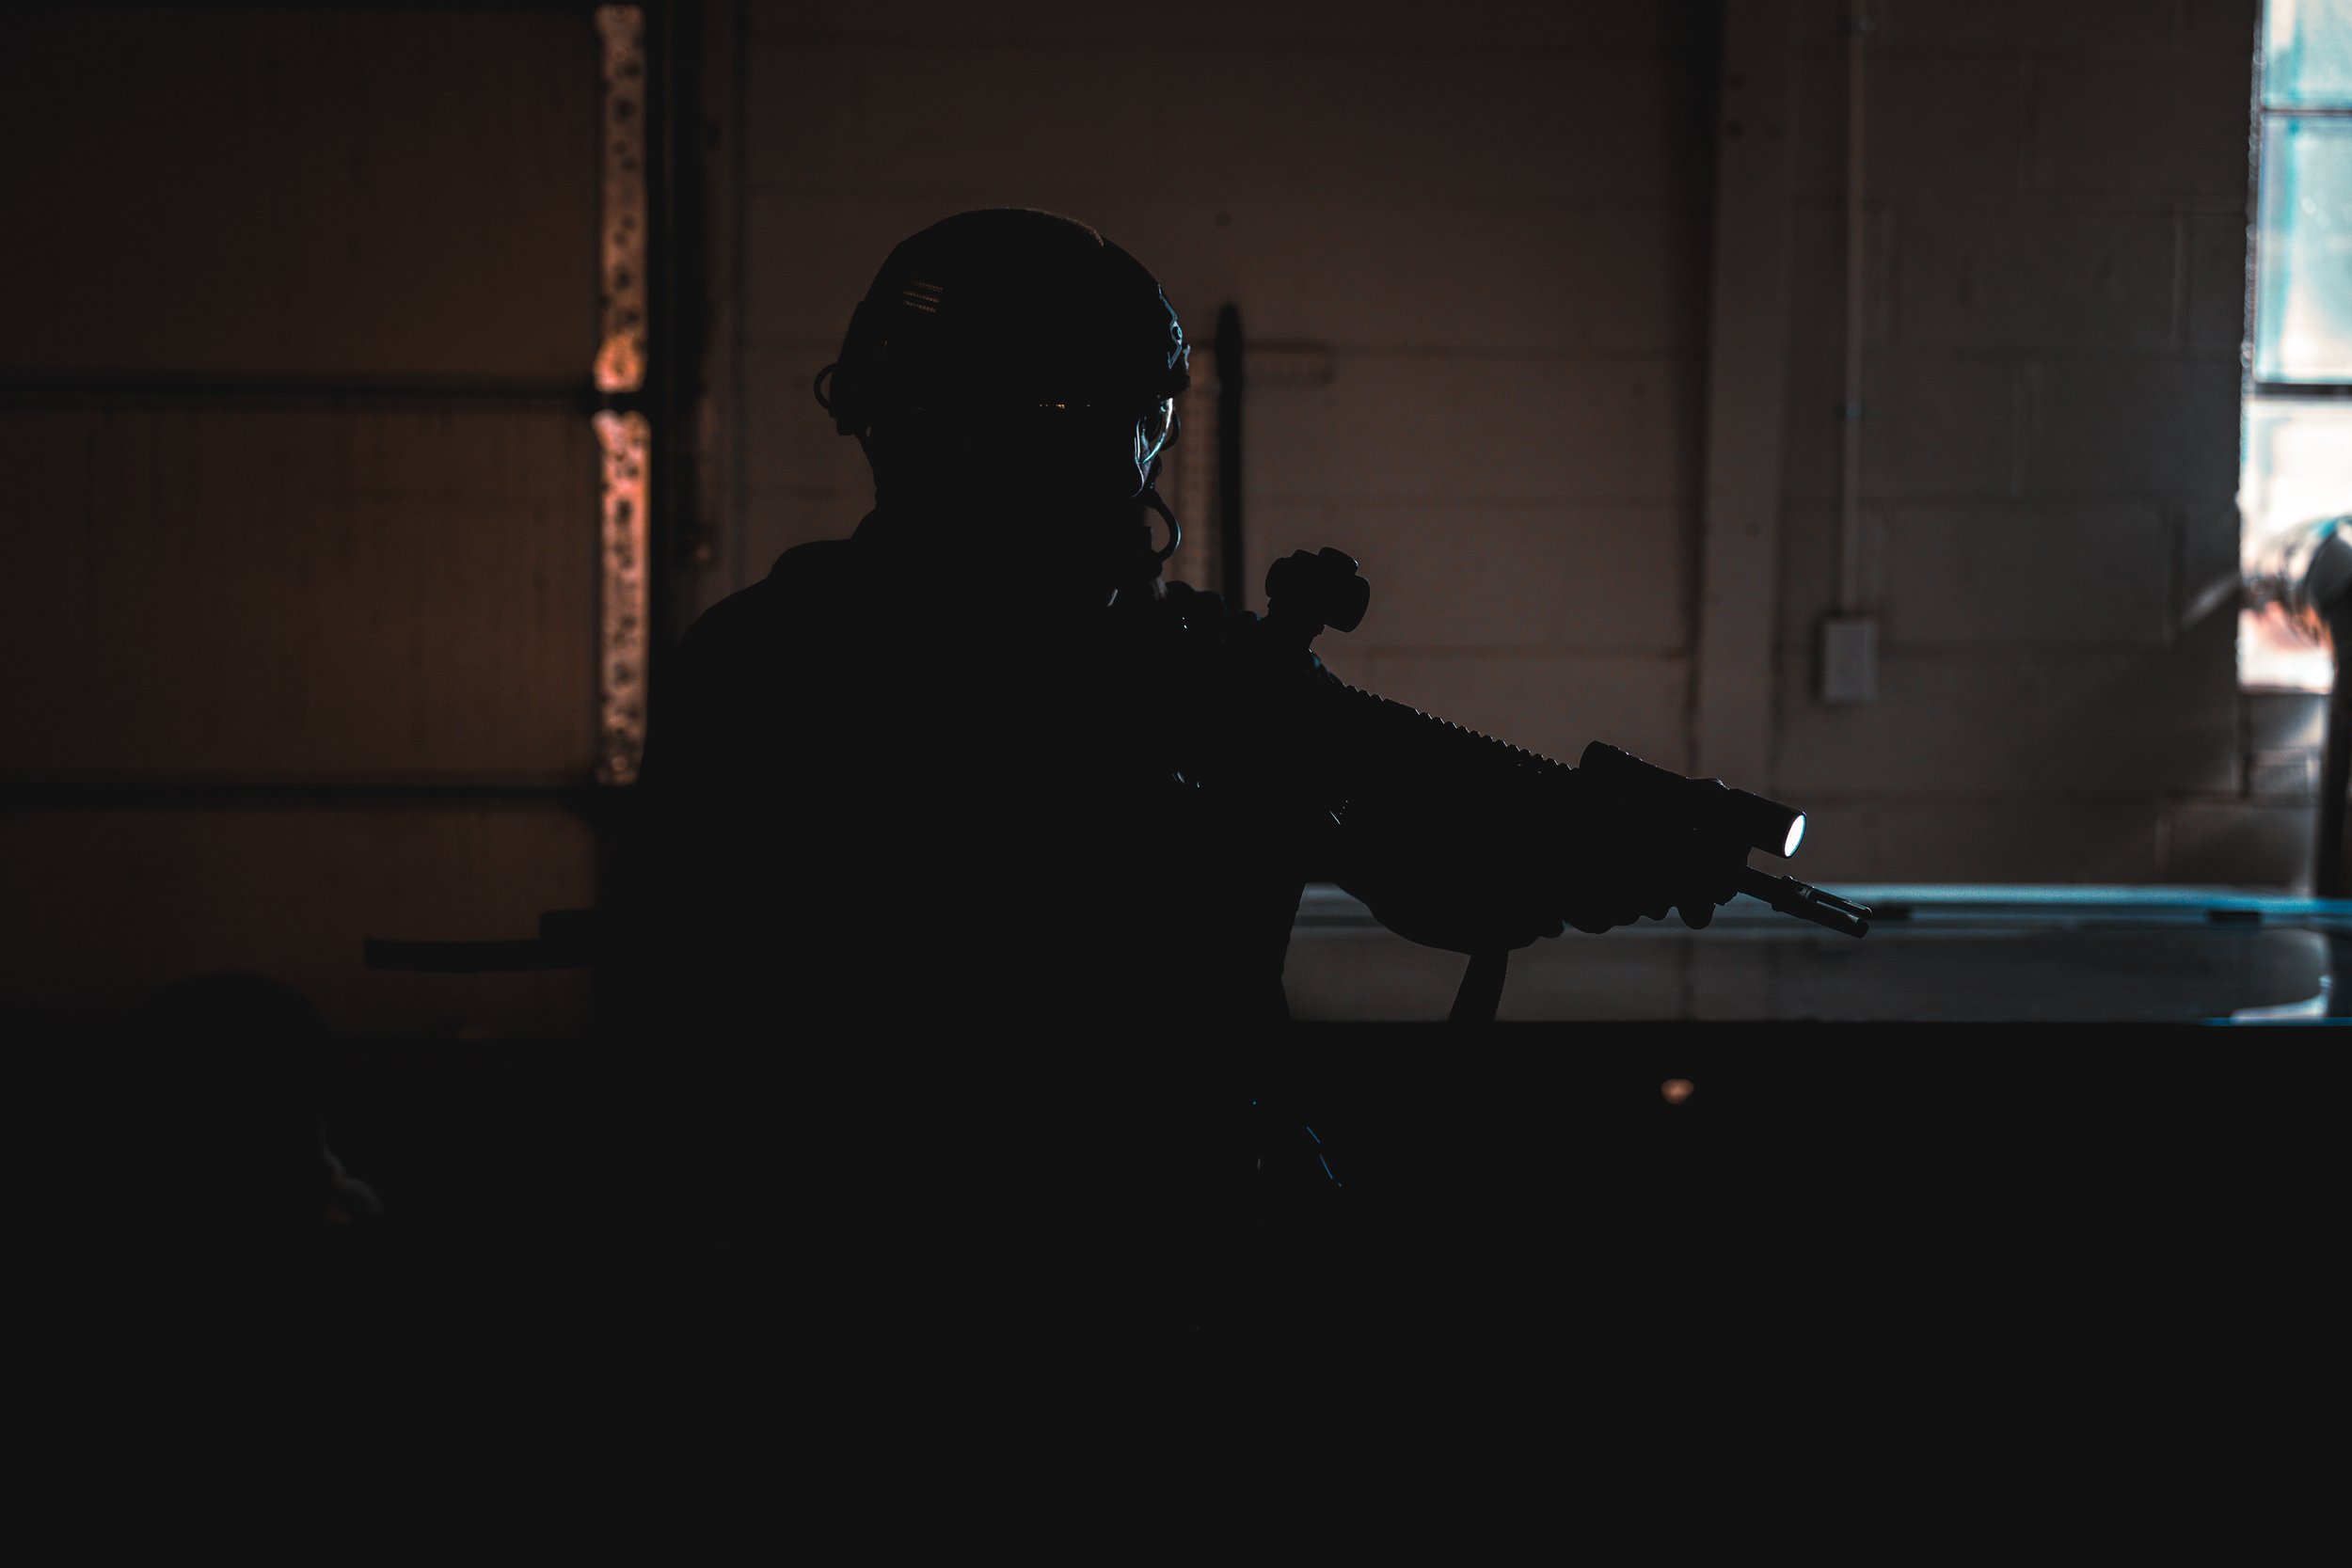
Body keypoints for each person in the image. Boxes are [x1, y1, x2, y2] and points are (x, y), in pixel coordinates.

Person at [614, 208, 1741, 1374]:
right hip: (976, 1271)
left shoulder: (780, 654)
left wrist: (1583, 862)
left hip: (1020, 1272)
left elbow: (1425, 864)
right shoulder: (825, 666)